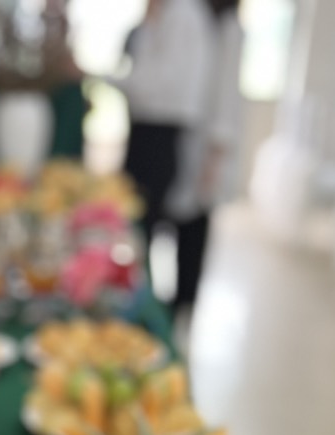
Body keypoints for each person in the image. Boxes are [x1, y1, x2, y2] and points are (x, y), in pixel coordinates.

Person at [121, 0, 243, 313]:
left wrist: (215, 156)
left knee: (193, 228)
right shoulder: (190, 14)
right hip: (186, 136)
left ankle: (183, 305)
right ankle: (163, 302)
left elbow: (226, 96)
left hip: (205, 143)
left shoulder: (227, 26)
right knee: (172, 220)